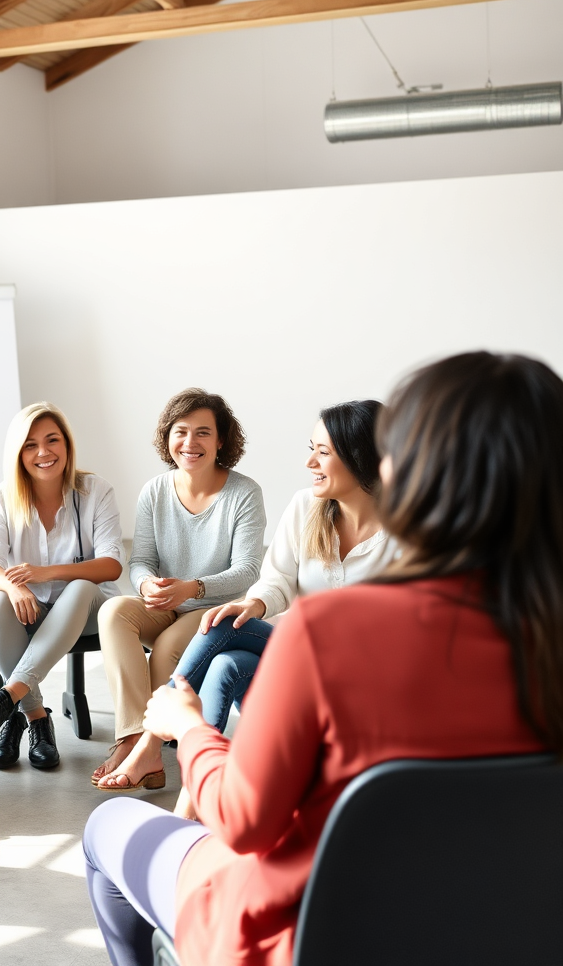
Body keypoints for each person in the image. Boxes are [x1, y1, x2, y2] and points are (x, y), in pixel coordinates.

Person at [82, 351, 560, 966]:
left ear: (410, 469)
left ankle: (156, 744)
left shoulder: (332, 632)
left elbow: (247, 822)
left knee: (108, 827)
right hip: (502, 932)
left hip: (305, 931)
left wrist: (190, 729)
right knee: (225, 651)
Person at [138, 401, 396, 816]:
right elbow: (277, 579)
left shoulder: (406, 531)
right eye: (310, 447)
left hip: (359, 682)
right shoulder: (305, 507)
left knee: (225, 632)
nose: (309, 461)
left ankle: (151, 743)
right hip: (301, 664)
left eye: (323, 452)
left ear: (361, 458)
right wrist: (254, 602)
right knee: (227, 650)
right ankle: (188, 808)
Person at [94, 387, 265, 791]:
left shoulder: (244, 493)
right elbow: (140, 560)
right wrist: (145, 583)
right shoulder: (155, 490)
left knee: (170, 646)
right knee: (113, 611)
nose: (190, 443)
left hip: (214, 608)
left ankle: (150, 750)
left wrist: (193, 587)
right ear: (167, 437)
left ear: (221, 440)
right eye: (181, 431)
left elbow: (248, 570)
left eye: (203, 432)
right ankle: (135, 737)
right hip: (165, 601)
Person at [0, 402, 124, 770]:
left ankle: (10, 701)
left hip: (87, 612)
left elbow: (112, 565)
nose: (43, 452)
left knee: (82, 586)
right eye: (30, 444)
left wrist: (46, 572)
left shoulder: (95, 490)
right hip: (30, 612)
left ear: (67, 445)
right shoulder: (3, 496)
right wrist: (14, 587)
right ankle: (36, 717)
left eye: (52, 440)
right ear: (18, 453)